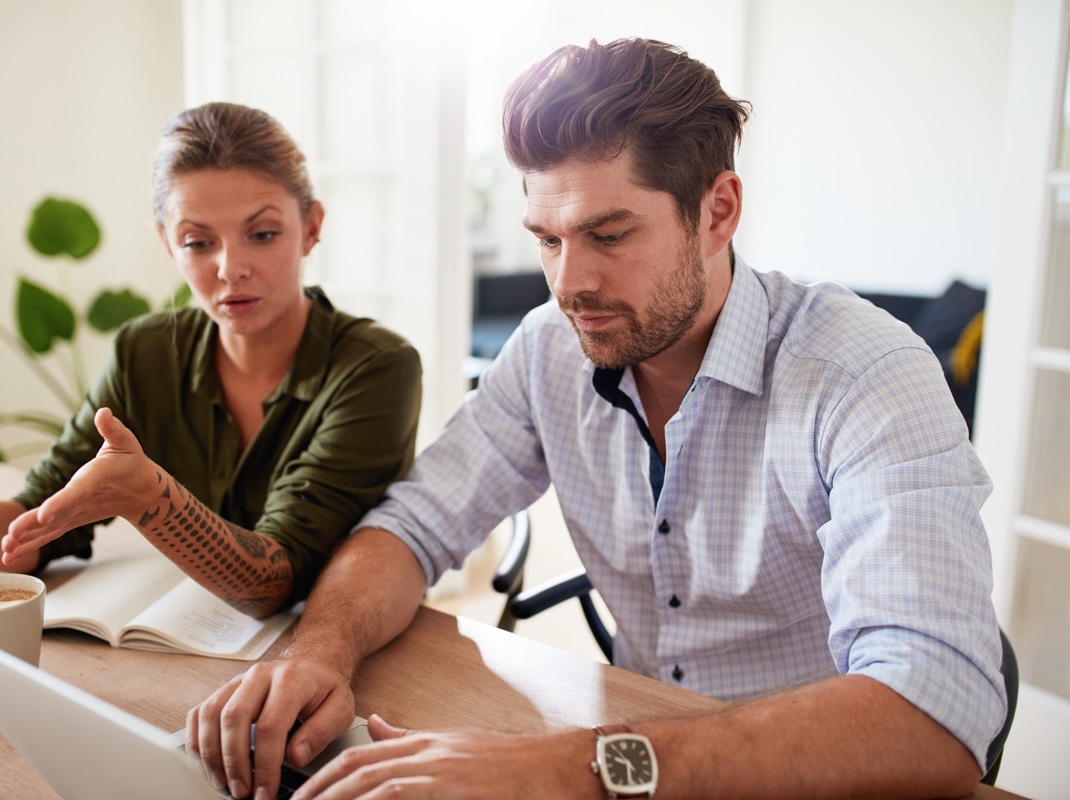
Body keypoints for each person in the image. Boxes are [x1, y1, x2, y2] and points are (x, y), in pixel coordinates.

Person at [186, 39, 1006, 799]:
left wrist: (574, 766)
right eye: (546, 239)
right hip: (648, 749)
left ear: (718, 211)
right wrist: (320, 648)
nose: (568, 283)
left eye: (608, 234)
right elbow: (415, 523)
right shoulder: (550, 348)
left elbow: (934, 712)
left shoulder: (865, 374)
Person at [0, 102, 422, 619]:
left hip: (336, 650)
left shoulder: (378, 369)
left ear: (312, 227)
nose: (230, 268)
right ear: (167, 242)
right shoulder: (146, 352)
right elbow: (35, 527)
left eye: (263, 233)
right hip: (190, 647)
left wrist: (150, 499)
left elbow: (276, 582)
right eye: (198, 242)